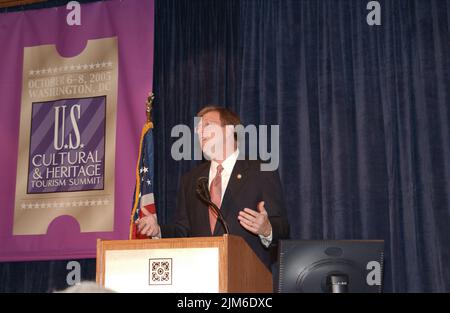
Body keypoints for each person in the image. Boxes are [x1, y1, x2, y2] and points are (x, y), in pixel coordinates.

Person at [136, 105, 289, 269]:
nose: (199, 132)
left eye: (207, 125)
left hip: (247, 277)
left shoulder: (261, 172)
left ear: (229, 130)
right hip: (201, 276)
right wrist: (158, 230)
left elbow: (282, 228)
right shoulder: (191, 179)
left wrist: (267, 229)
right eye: (197, 128)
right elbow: (183, 230)